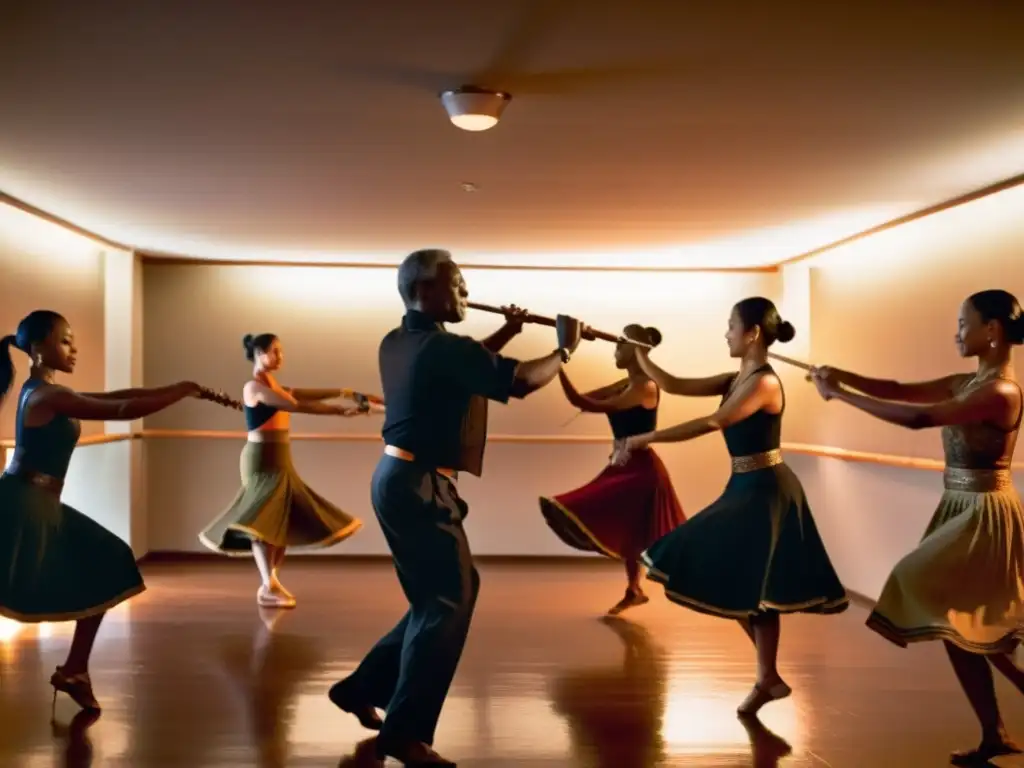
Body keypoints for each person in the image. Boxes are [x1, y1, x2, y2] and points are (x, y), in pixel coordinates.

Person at [327, 248, 582, 767]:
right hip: (418, 484)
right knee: (445, 600)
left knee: (443, 594)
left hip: (399, 478)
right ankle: (403, 734)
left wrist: (507, 333)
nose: (466, 293)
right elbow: (520, 381)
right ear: (424, 289)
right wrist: (565, 351)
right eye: (459, 285)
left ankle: (362, 688)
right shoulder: (441, 350)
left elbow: (468, 367)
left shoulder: (401, 341)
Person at [809, 289, 1024, 766]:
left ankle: (997, 729)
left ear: (992, 330)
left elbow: (919, 418)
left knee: (937, 595)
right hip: (959, 505)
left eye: (964, 323)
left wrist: (840, 396)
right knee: (960, 623)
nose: (957, 333)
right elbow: (901, 389)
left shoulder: (1000, 392)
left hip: (985, 512)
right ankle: (994, 734)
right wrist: (843, 376)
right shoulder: (966, 382)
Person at [611, 296, 848, 715]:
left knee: (752, 585)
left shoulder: (765, 383)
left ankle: (767, 676)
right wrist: (641, 353)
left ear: (752, 333)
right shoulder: (736, 377)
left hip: (767, 489)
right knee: (745, 584)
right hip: (745, 485)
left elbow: (713, 422)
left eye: (731, 326)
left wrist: (642, 439)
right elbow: (673, 385)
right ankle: (767, 677)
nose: (726, 333)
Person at [0, 309, 217, 712]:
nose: (74, 347)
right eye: (64, 339)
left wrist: (176, 387)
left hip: (42, 502)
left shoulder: (49, 391)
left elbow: (116, 397)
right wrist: (178, 394)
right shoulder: (45, 395)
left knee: (110, 558)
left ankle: (74, 670)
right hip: (22, 502)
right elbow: (123, 412)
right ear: (37, 349)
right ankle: (75, 670)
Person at [199, 333, 376, 608]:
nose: (280, 357)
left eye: (281, 351)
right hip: (261, 459)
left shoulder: (273, 384)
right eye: (275, 351)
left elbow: (304, 394)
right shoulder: (253, 387)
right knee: (261, 519)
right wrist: (339, 410)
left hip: (280, 456)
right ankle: (267, 584)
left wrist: (346, 394)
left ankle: (271, 582)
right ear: (259, 353)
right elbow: (293, 403)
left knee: (283, 517)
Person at [539, 324, 686, 615]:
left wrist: (559, 361)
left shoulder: (645, 386)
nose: (615, 350)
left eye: (620, 345)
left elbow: (584, 403)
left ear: (637, 349)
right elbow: (584, 399)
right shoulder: (626, 383)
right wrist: (572, 348)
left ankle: (645, 587)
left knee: (631, 530)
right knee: (633, 534)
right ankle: (634, 590)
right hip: (625, 464)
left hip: (641, 471)